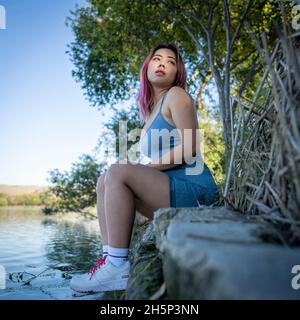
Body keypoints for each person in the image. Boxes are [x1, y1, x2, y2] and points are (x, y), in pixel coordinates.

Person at [70, 43, 219, 293]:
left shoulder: (177, 96)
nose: (163, 64)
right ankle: (110, 260)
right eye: (157, 59)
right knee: (104, 179)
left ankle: (117, 264)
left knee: (118, 171)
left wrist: (148, 168)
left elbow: (191, 147)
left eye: (171, 62)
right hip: (170, 190)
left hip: (195, 191)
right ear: (147, 67)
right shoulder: (149, 113)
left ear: (177, 73)